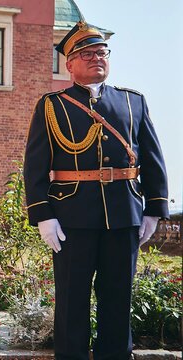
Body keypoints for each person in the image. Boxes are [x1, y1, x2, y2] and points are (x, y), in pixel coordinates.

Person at [24, 21, 168, 360]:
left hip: (123, 214)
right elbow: (35, 165)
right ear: (69, 64)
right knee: (73, 299)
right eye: (86, 54)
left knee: (117, 298)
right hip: (71, 216)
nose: (96, 59)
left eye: (101, 52)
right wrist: (43, 215)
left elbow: (152, 157)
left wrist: (153, 209)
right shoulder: (51, 106)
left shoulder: (134, 102)